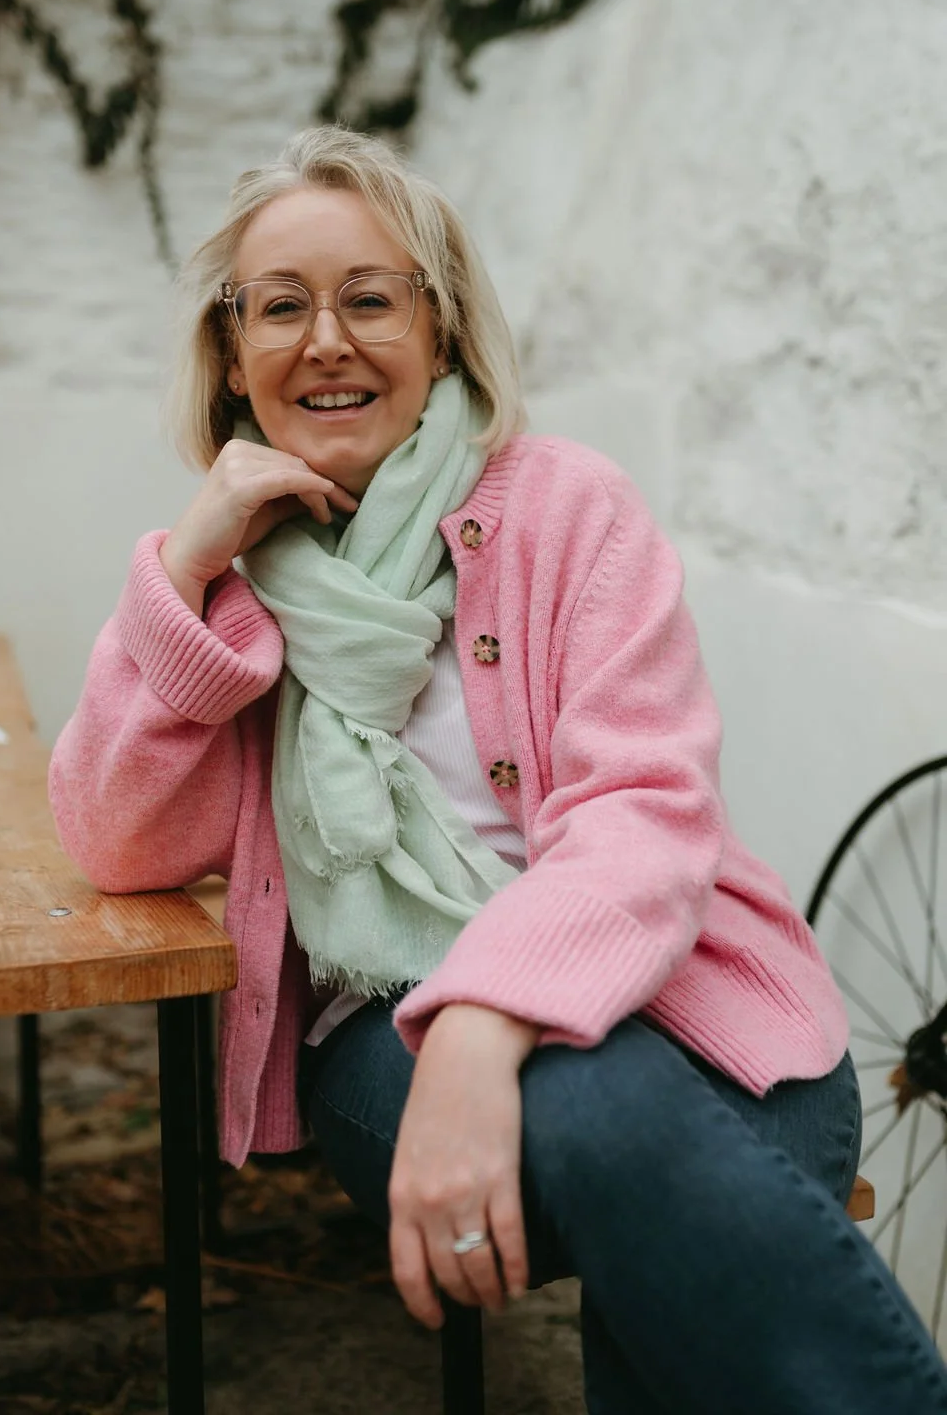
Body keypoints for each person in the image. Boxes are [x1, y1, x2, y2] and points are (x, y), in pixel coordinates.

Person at [49, 125, 947, 1414]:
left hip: (702, 1001)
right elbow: (114, 839)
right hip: (389, 1042)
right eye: (281, 306)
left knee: (661, 1190)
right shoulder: (227, 591)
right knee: (614, 1120)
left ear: (447, 328)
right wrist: (181, 576)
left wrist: (485, 1021)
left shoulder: (569, 512)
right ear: (231, 358)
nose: (327, 340)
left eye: (372, 298)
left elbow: (644, 810)